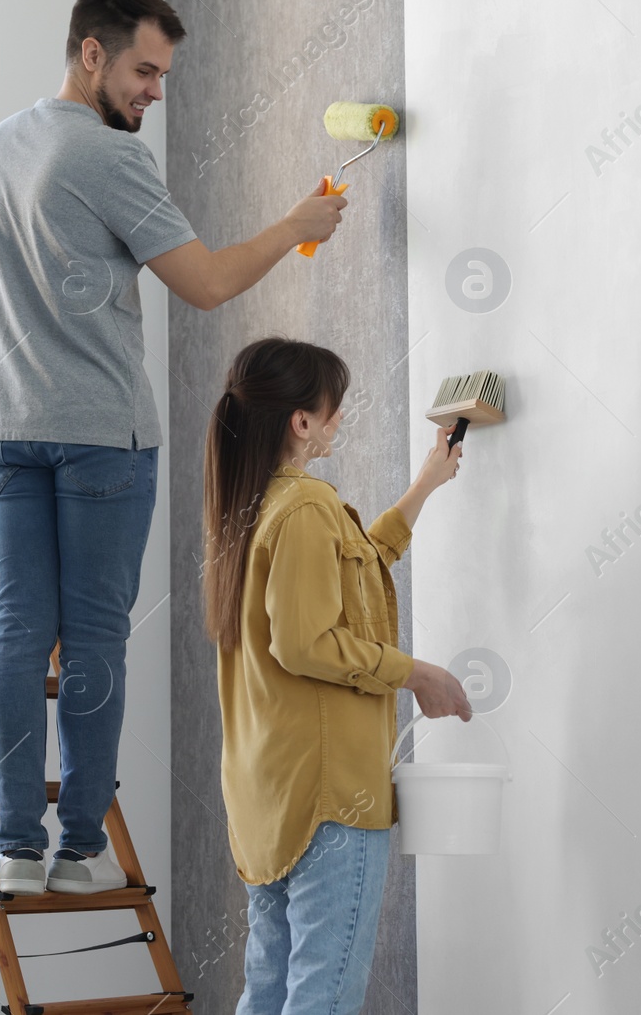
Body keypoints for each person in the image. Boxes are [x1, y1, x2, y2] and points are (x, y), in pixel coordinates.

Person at [0, 0, 350, 896]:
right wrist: (298, 226)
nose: (155, 90)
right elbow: (206, 283)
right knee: (98, 637)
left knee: (17, 629)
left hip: (2, 431)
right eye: (145, 71)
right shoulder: (109, 159)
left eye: (164, 74)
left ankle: (16, 844)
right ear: (92, 54)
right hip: (101, 437)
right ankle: (78, 848)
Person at [201, 337, 473, 1013]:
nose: (340, 418)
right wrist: (415, 674)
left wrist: (425, 484)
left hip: (270, 796)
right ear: (301, 421)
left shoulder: (251, 509)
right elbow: (306, 640)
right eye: (334, 407)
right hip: (330, 796)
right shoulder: (305, 506)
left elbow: (353, 568)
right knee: (321, 998)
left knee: (267, 991)